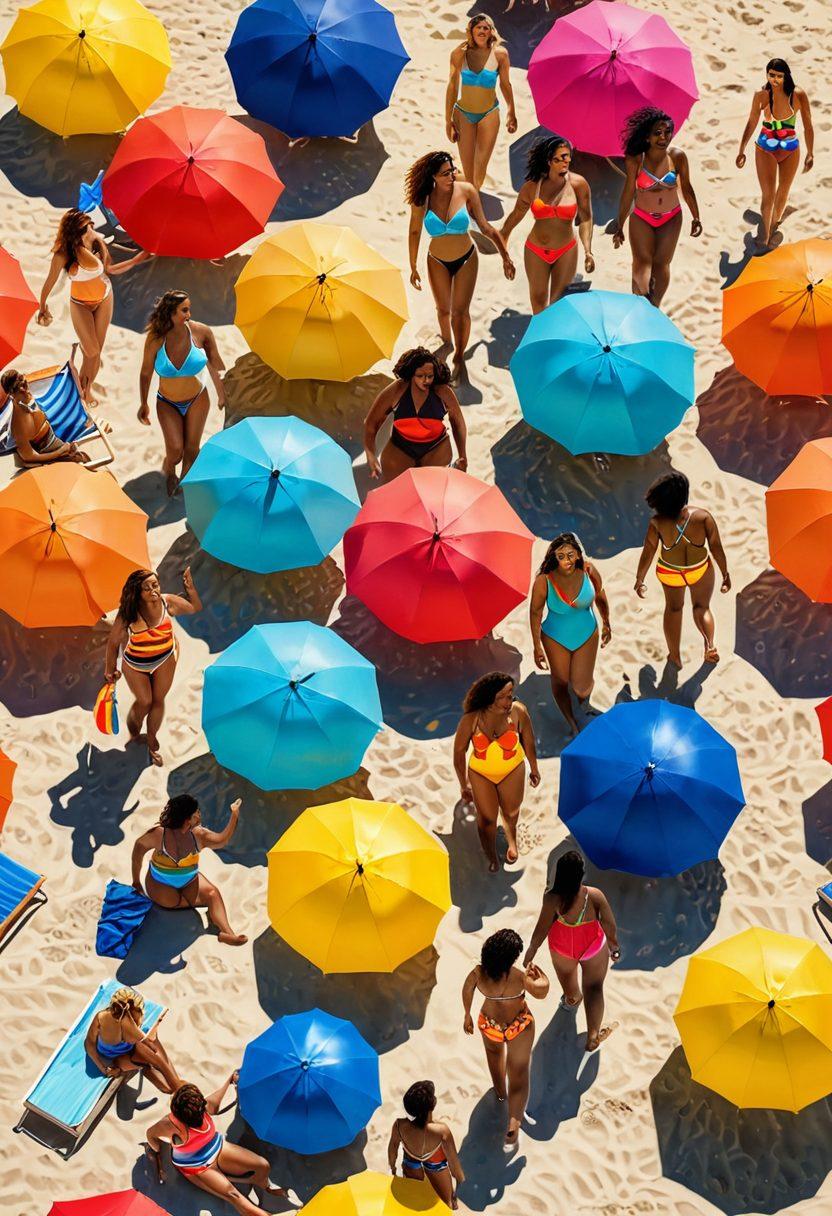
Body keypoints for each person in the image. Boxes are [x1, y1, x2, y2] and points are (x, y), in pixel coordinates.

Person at [406, 150, 515, 371]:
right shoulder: (422, 198)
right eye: (445, 173)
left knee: (460, 312)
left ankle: (458, 356)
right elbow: (415, 231)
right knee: (443, 310)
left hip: (467, 258)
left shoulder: (466, 191)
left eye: (452, 170)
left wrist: (505, 255)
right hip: (436, 259)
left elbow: (485, 227)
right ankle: (447, 341)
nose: (452, 176)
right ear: (433, 177)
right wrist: (413, 266)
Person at [36, 208, 150, 401]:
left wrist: (135, 260)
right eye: (85, 228)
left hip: (105, 297)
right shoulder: (64, 254)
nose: (90, 229)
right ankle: (81, 386)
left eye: (89, 226)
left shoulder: (97, 243)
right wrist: (42, 305)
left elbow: (109, 270)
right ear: (75, 231)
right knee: (92, 350)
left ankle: (84, 392)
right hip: (79, 302)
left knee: (94, 355)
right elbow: (50, 280)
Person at [145, 1074, 298, 1214]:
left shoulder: (201, 1109)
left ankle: (265, 1187)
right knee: (234, 1196)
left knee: (262, 1165)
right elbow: (150, 1134)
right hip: (197, 1168)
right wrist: (157, 1151)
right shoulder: (170, 1124)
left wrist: (229, 1080)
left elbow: (216, 1100)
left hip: (217, 1149)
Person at [104, 567, 201, 766]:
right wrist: (109, 669)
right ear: (137, 593)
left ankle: (151, 741)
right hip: (135, 663)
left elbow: (194, 608)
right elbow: (113, 643)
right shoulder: (129, 613)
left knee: (158, 700)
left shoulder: (167, 601)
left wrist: (190, 589)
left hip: (165, 657)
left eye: (155, 585)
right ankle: (133, 733)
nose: (153, 591)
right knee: (144, 701)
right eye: (146, 588)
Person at [524, 850, 620, 1052]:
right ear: (580, 874)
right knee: (594, 987)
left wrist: (531, 950)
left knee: (568, 979)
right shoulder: (594, 895)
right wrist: (613, 946)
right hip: (592, 946)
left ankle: (572, 998)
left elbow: (542, 927)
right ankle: (593, 1035)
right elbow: (609, 924)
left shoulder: (552, 898)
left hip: (562, 946)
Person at [633, 471, 730, 667]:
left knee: (674, 609)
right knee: (702, 608)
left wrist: (639, 579)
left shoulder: (657, 523)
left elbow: (648, 552)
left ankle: (675, 656)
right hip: (699, 569)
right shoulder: (703, 517)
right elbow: (716, 547)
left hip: (670, 572)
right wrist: (725, 573)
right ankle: (709, 645)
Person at [462, 929, 549, 1145]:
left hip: (489, 1023)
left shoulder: (479, 973)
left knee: (494, 1059)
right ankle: (513, 1122)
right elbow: (541, 992)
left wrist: (467, 1014)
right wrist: (542, 977)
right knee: (518, 1072)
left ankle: (500, 1093)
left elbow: (467, 989)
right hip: (517, 1024)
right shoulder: (519, 977)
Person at [138, 290, 226, 496]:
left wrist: (222, 392)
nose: (189, 314)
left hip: (198, 398)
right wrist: (144, 403)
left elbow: (217, 364)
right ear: (170, 312)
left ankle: (183, 480)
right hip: (167, 402)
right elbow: (145, 373)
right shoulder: (156, 339)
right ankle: (169, 470)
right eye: (184, 310)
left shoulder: (201, 332)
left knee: (192, 449)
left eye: (189, 309)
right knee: (176, 450)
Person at [131, 793, 247, 947]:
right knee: (176, 902)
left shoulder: (199, 835)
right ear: (187, 821)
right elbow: (137, 852)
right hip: (160, 884)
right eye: (196, 813)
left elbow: (222, 840)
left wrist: (234, 815)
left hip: (190, 880)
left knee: (213, 893)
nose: (199, 815)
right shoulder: (159, 834)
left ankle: (228, 933)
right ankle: (210, 919)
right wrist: (136, 881)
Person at [612, 108, 701, 307]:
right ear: (647, 137)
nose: (663, 137)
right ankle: (640, 300)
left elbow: (686, 188)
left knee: (661, 265)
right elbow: (628, 192)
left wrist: (696, 217)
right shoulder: (636, 159)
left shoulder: (678, 157)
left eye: (667, 132)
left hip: (671, 217)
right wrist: (620, 224)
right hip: (642, 216)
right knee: (642, 262)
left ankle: (655, 306)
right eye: (657, 133)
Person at [453, 672, 540, 873]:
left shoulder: (518, 712)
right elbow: (459, 752)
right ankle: (491, 855)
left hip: (512, 769)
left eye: (511, 695)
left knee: (511, 812)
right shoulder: (472, 718)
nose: (510, 700)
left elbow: (528, 740)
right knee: (487, 821)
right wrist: (463, 783)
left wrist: (534, 767)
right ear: (491, 696)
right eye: (505, 696)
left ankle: (512, 841)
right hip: (481, 774)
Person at [501, 134, 594, 312]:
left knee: (558, 303)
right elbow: (515, 216)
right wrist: (504, 253)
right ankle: (539, 336)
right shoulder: (532, 187)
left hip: (566, 249)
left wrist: (588, 250)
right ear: (549, 161)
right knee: (537, 301)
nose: (565, 162)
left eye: (567, 157)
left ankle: (553, 338)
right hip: (535, 249)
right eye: (559, 159)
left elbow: (586, 218)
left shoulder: (578, 184)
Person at [529, 533, 611, 736]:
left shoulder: (588, 570)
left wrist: (607, 622)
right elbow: (535, 612)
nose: (567, 560)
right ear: (554, 558)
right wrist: (537, 645)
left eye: (570, 555)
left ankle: (584, 705)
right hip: (555, 637)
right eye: (561, 556)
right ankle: (571, 720)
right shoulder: (544, 581)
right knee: (561, 681)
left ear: (578, 555)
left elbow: (600, 594)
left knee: (582, 688)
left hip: (587, 632)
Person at [735, 58, 814, 249]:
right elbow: (752, 122)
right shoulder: (761, 95)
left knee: (783, 192)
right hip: (765, 148)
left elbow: (808, 125)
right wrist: (742, 148)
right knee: (768, 195)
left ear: (786, 76)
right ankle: (763, 237)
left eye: (779, 76)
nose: (775, 80)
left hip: (790, 149)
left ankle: (771, 227)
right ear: (767, 75)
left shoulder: (798, 95)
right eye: (772, 75)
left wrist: (810, 152)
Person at [363, 347, 467, 481]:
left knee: (431, 492)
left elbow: (458, 423)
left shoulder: (443, 392)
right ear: (411, 374)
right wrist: (370, 454)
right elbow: (371, 423)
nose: (426, 381)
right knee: (396, 491)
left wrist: (462, 454)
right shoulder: (398, 390)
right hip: (400, 446)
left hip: (436, 447)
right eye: (420, 376)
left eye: (430, 376)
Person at [446, 14, 517, 191]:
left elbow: (505, 85)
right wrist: (448, 121)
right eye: (479, 27)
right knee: (469, 168)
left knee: (480, 167)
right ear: (471, 30)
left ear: (491, 31)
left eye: (486, 28)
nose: (482, 31)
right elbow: (452, 87)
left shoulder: (500, 54)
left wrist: (511, 111)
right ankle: (464, 187)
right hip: (463, 113)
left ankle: (470, 192)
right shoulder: (459, 54)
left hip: (489, 113)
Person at [84, 987, 181, 1093]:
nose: (138, 1022)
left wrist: (154, 1029)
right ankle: (178, 1089)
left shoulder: (129, 1023)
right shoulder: (102, 1019)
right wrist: (104, 1069)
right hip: (118, 1057)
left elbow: (151, 1045)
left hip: (134, 1048)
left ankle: (181, 1089)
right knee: (167, 1088)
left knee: (158, 1061)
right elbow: (89, 1044)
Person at [388, 1080, 465, 1209]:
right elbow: (455, 1169)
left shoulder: (399, 1125)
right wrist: (457, 1191)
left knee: (416, 1199)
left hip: (410, 1163)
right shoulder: (441, 1131)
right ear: (433, 1105)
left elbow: (393, 1150)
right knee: (446, 1204)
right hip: (435, 1165)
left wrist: (393, 1168)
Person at [2, 368, 90, 465]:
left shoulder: (26, 399)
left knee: (84, 457)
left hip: (56, 441)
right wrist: (60, 451)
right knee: (83, 460)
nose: (25, 389)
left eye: (23, 383)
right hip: (50, 452)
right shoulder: (17, 422)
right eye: (19, 388)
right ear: (11, 394)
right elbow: (28, 456)